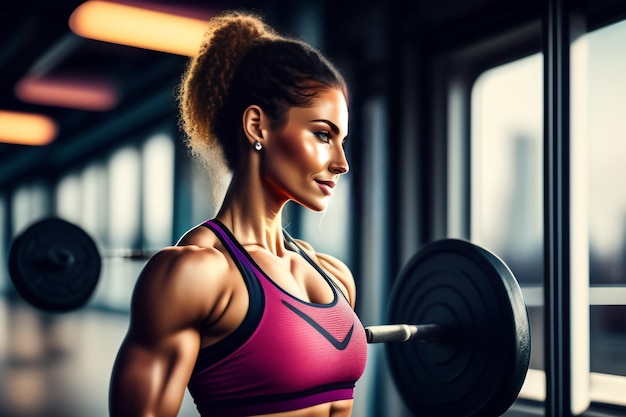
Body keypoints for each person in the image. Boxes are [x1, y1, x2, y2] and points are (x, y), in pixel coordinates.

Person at [108, 10, 367, 417]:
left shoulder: (336, 278)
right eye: (322, 134)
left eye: (342, 141)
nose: (341, 162)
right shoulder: (194, 276)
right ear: (257, 126)